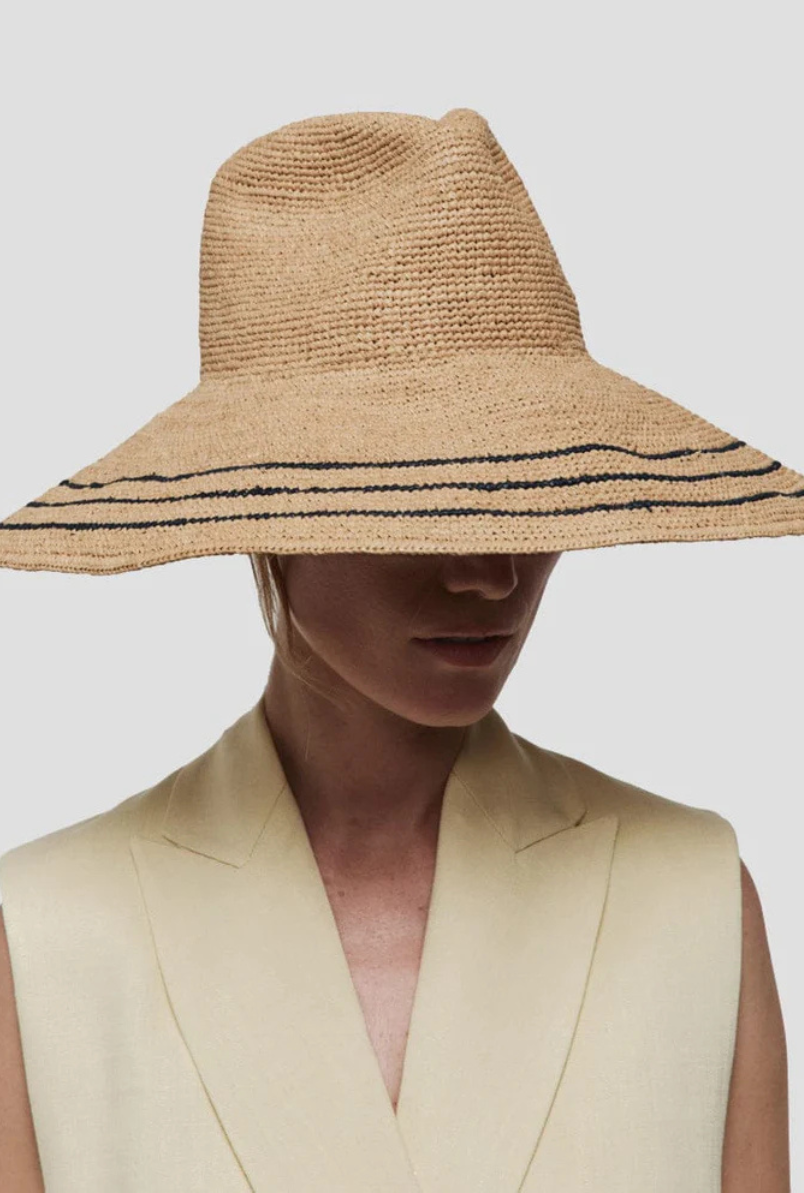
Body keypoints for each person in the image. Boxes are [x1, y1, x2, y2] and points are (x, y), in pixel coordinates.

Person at [0, 107, 798, 1191]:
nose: (490, 572)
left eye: (528, 491)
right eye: (417, 501)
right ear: (265, 512)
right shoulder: (52, 934)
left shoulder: (687, 899)